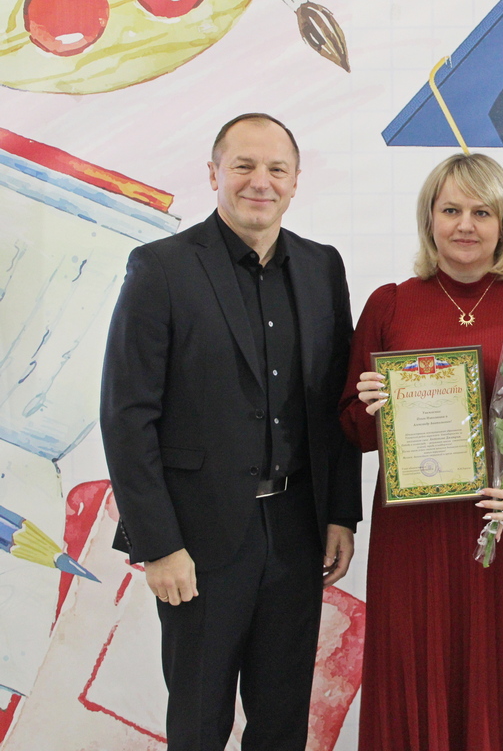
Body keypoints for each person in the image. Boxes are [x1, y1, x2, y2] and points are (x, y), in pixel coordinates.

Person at [99, 113, 362, 750]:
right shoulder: (160, 267)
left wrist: (340, 514)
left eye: (276, 169)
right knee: (199, 723)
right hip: (197, 542)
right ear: (213, 173)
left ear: (295, 180)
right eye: (243, 166)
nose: (259, 182)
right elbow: (127, 416)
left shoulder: (322, 267)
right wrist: (158, 545)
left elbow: (336, 402)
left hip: (298, 535)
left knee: (282, 724)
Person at [340, 153, 503, 751]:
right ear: (429, 219)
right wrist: (372, 407)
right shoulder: (389, 304)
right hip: (416, 536)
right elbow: (351, 430)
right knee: (419, 669)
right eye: (451, 210)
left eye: (482, 212)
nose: (465, 224)